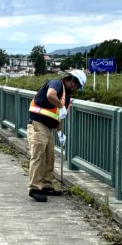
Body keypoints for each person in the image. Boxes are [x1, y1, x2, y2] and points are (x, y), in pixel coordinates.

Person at [27, 69, 86, 202]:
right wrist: (61, 105)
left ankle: (46, 185)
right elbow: (50, 95)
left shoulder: (67, 96)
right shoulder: (56, 84)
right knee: (38, 157)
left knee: (49, 158)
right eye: (77, 86)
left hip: (49, 128)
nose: (77, 89)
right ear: (72, 81)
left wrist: (60, 133)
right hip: (38, 124)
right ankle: (34, 188)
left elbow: (59, 116)